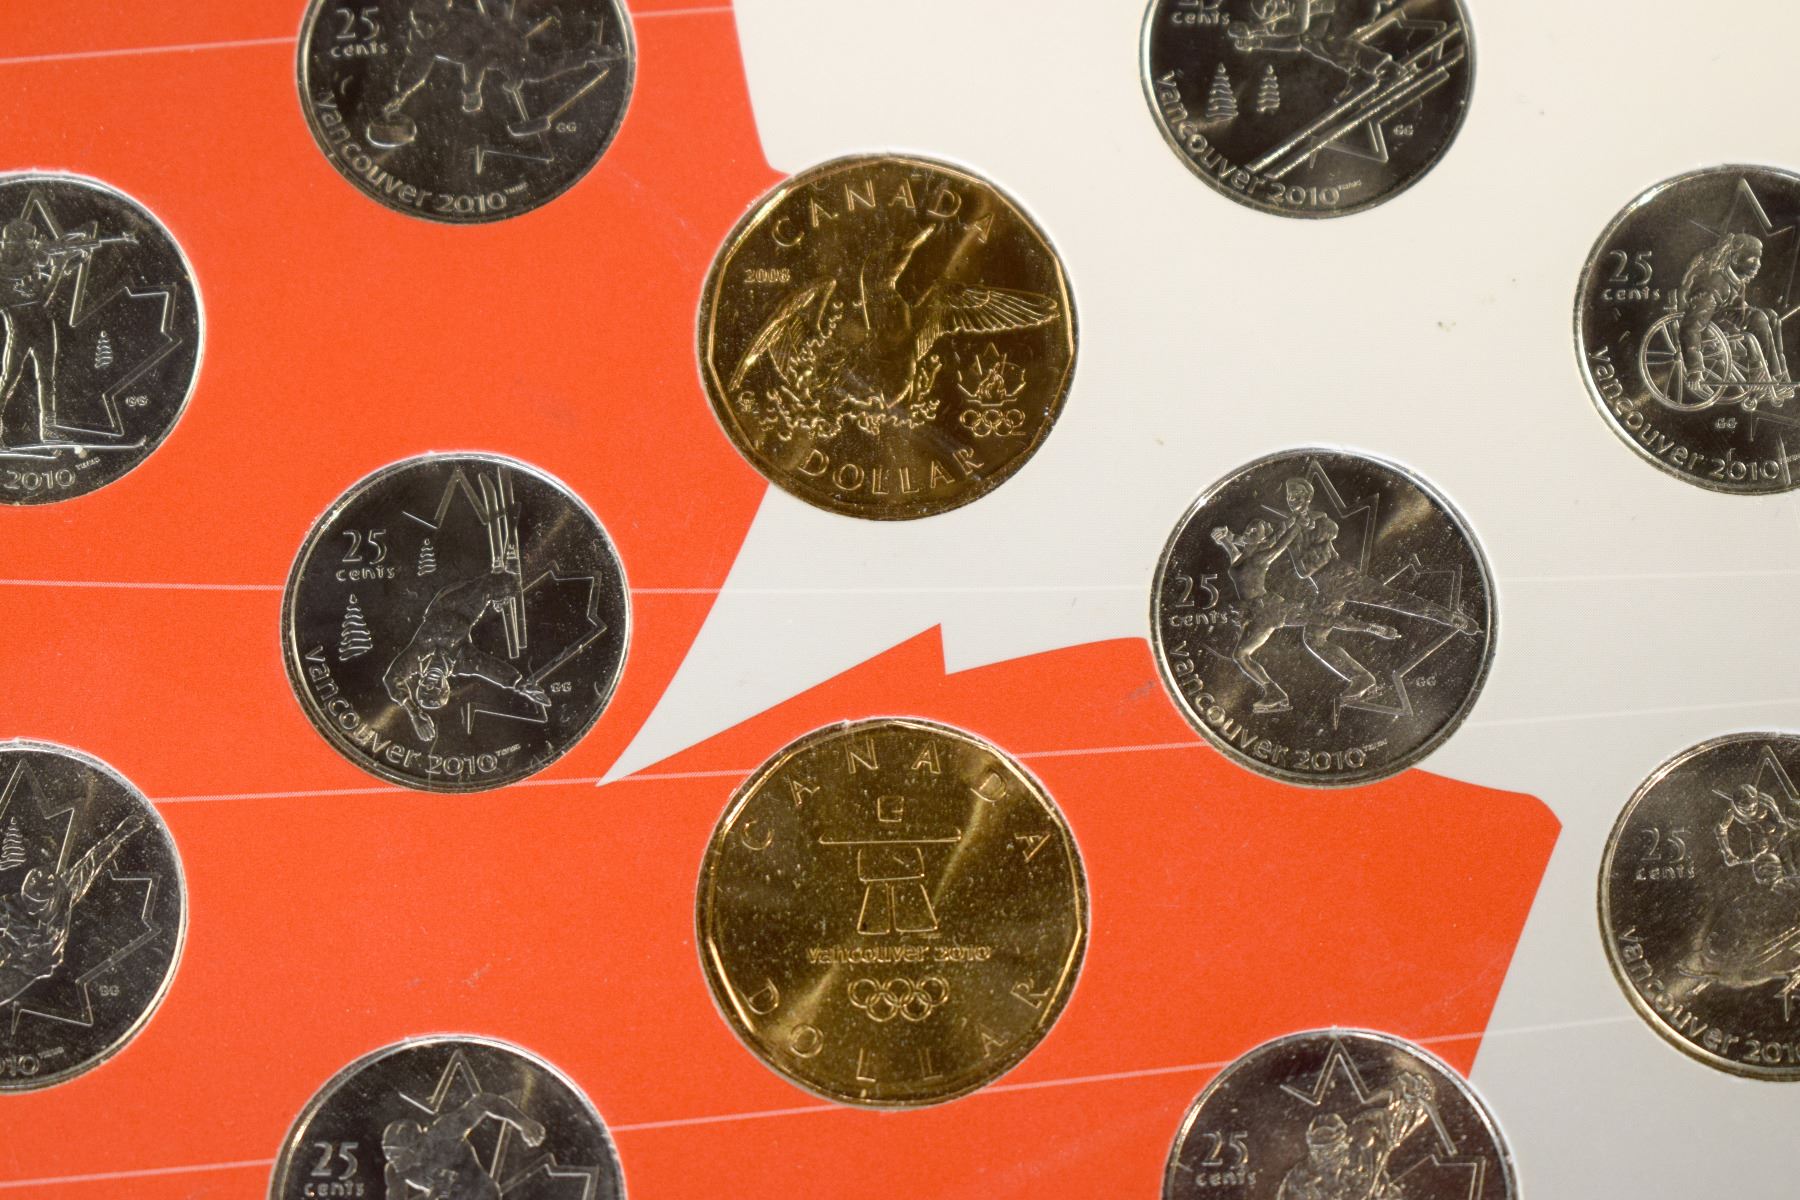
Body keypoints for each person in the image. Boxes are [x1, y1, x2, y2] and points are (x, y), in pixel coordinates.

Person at [1279, 477, 1477, 708]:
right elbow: (1303, 570)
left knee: (1393, 600)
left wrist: (1307, 538)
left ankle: (1450, 617)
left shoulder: (1319, 519)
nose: (1293, 499)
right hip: (1325, 588)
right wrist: (1304, 538)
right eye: (1289, 495)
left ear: (1308, 496)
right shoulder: (1291, 528)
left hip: (1342, 577)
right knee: (1314, 638)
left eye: (1298, 494)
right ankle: (1362, 679)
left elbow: (1329, 535)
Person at [0, 811, 146, 1005]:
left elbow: (91, 862)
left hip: (28, 970)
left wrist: (120, 833)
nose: (44, 873)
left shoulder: (62, 895)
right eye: (38, 877)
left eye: (43, 876)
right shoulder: (8, 907)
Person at [383, 569, 548, 742]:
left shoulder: (416, 657)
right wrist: (521, 685)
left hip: (442, 604)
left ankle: (497, 585)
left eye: (423, 689)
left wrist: (414, 713)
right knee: (504, 585)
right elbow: (489, 668)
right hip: (466, 612)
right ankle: (502, 587)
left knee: (491, 585)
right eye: (434, 690)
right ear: (445, 687)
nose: (429, 685)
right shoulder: (462, 662)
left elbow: (391, 678)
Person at [1677, 232, 1794, 409]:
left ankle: (1779, 376)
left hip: (1724, 320)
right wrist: (1695, 368)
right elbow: (1691, 327)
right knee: (1760, 318)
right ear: (1735, 258)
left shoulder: (1733, 280)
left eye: (1759, 258)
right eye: (1753, 258)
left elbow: (1735, 307)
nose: (1758, 264)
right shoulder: (1715, 284)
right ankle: (1764, 376)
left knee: (1772, 317)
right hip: (1711, 330)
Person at [381, 1093, 546, 1200]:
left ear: (415, 1146)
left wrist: (523, 1121)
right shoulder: (394, 1172)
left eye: (394, 1153)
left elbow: (483, 1102)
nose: (390, 1159)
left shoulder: (443, 1133)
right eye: (387, 1152)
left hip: (480, 1194)